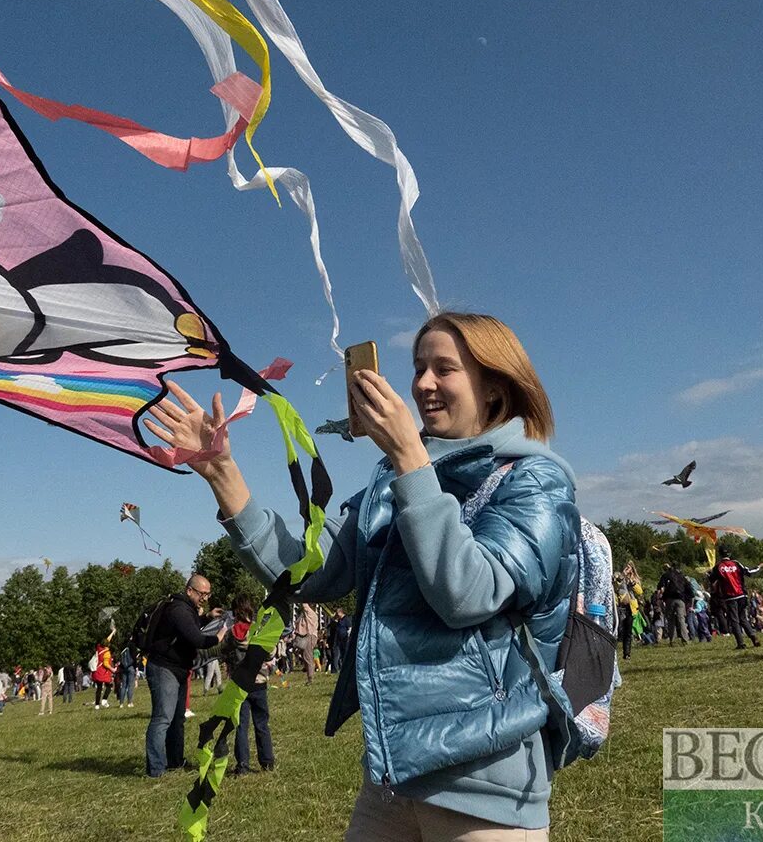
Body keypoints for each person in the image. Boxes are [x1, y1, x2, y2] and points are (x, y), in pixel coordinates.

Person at [149, 312, 580, 836]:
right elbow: (311, 570)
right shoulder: (395, 477)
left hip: (487, 782)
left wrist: (408, 457)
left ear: (493, 386)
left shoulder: (536, 479)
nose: (422, 383)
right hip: (392, 777)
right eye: (418, 367)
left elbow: (468, 592)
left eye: (445, 369)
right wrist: (224, 475)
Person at [136, 574, 224, 777]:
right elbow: (196, 638)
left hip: (178, 668)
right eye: (202, 593)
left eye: (208, 594)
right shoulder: (178, 609)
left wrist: (207, 617)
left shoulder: (185, 609)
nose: (205, 597)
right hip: (164, 668)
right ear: (189, 590)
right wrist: (218, 637)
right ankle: (156, 769)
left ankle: (175, 761)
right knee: (163, 718)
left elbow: (187, 628)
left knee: (177, 718)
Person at [224, 594, 274, 776]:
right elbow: (269, 654)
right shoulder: (258, 631)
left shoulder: (231, 633)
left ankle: (242, 765)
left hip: (240, 684)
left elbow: (225, 651)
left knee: (241, 726)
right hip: (259, 682)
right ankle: (267, 762)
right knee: (262, 724)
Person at [709, 553, 763, 649]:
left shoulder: (718, 567)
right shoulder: (736, 563)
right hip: (741, 594)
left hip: (730, 596)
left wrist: (709, 573)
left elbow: (711, 579)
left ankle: (741, 643)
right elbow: (749, 572)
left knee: (734, 620)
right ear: (729, 554)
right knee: (742, 618)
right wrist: (758, 566)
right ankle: (753, 636)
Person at [659, 563, 691, 645]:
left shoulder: (666, 575)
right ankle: (685, 639)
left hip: (669, 599)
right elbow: (689, 589)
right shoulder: (682, 576)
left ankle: (672, 640)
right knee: (681, 619)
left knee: (670, 620)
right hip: (680, 599)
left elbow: (660, 586)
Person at [292, 603, 319, 683]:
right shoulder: (305, 615)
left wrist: (300, 594)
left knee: (308, 657)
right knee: (305, 657)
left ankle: (310, 678)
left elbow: (304, 605)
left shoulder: (310, 613)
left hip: (309, 636)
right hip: (305, 637)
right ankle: (309, 675)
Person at [92, 641, 114, 709]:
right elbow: (106, 664)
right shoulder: (107, 652)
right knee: (110, 685)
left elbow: (107, 639)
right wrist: (112, 669)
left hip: (97, 670)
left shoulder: (99, 648)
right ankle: (104, 700)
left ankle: (97, 705)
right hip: (103, 672)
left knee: (99, 688)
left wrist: (113, 632)